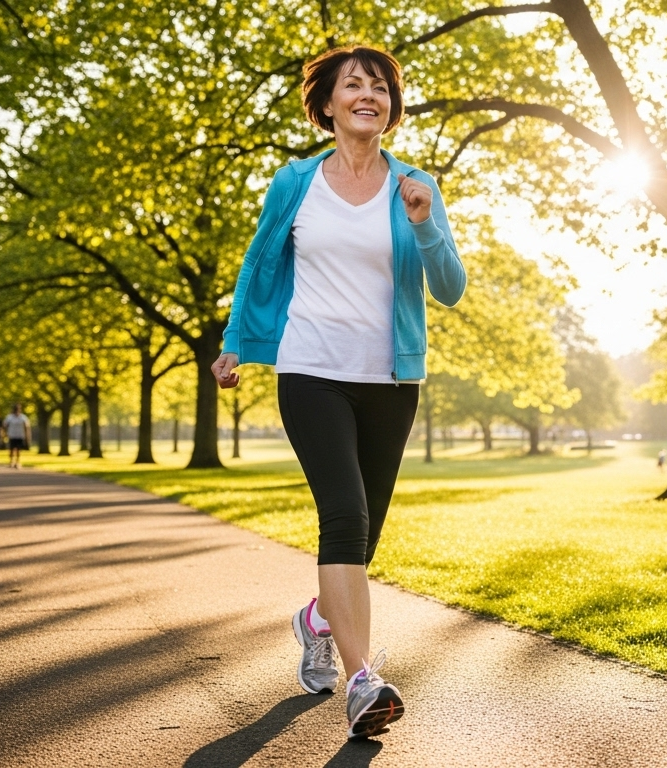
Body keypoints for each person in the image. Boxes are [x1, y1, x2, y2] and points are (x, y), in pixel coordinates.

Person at [211, 45, 464, 741]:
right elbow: (260, 263)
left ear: (391, 106)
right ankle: (363, 681)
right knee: (345, 516)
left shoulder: (415, 185)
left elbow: (449, 287)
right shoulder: (295, 182)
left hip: (389, 381)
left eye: (380, 87)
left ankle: (319, 619)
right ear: (326, 104)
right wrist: (237, 341)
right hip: (311, 370)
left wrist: (425, 223)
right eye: (353, 85)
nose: (368, 95)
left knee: (365, 537)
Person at [3, 403, 31, 469]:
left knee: (18, 450)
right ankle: (11, 462)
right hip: (12, 435)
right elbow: (5, 426)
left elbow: (26, 427)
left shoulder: (23, 417)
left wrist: (27, 436)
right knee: (11, 449)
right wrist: (4, 434)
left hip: (20, 435)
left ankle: (17, 462)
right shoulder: (9, 417)